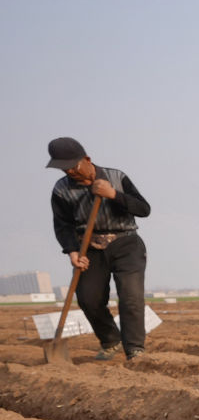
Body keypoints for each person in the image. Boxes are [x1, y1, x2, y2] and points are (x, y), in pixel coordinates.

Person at [46, 137, 151, 361]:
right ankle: (111, 341)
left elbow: (143, 209)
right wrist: (72, 251)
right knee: (88, 298)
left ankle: (134, 349)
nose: (70, 172)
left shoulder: (116, 177)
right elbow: (63, 226)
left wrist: (114, 195)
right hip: (89, 247)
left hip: (126, 242)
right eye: (64, 168)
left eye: (73, 166)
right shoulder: (61, 190)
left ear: (87, 159)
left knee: (130, 296)